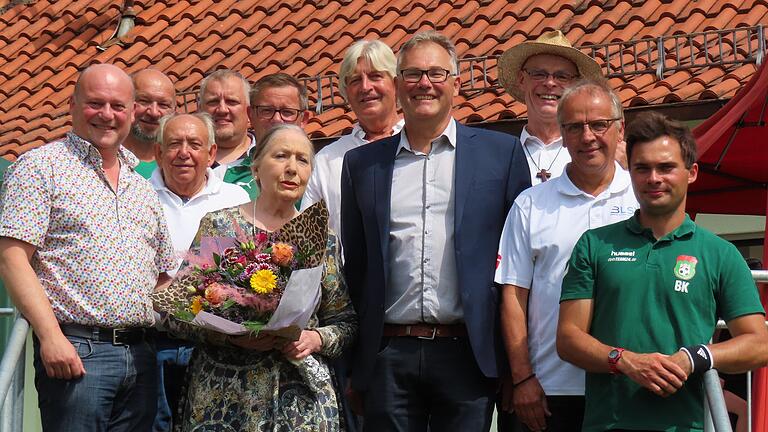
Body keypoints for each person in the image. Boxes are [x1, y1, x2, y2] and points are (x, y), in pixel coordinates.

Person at [341, 31, 530, 431]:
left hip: (469, 352)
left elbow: (519, 268)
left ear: (457, 84)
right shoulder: (362, 166)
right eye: (412, 73)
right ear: (396, 86)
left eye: (437, 73)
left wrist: (517, 364)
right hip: (388, 352)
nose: (424, 83)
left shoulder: (502, 154)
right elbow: (356, 270)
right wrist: (357, 365)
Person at [557, 111, 768, 431]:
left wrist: (693, 357)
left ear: (692, 172)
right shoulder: (595, 244)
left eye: (666, 167)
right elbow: (569, 338)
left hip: (688, 424)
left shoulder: (720, 254)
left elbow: (759, 344)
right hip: (608, 424)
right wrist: (625, 361)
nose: (653, 178)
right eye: (642, 168)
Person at [0, 63, 176, 431]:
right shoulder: (40, 167)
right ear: (73, 105)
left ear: (130, 112)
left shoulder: (141, 186)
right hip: (79, 353)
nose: (107, 115)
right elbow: (11, 257)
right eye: (96, 104)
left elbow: (161, 280)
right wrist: (50, 337)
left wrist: (227, 304)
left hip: (143, 356)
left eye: (118, 106)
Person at [165, 123, 357, 431]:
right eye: (281, 156)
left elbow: (345, 321)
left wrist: (315, 338)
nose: (292, 168)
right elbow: (176, 314)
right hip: (223, 396)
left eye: (302, 159)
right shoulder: (220, 228)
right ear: (256, 167)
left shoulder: (323, 239)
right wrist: (228, 334)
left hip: (299, 400)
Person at [495, 79, 638, 432]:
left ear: (620, 129)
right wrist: (522, 377)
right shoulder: (530, 204)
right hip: (549, 390)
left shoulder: (643, 198)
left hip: (631, 384)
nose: (587, 136)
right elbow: (512, 296)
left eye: (599, 124)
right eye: (575, 127)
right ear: (562, 132)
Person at [149, 112, 249, 431]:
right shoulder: (136, 195)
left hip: (212, 345)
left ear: (211, 153)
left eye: (194, 144)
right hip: (152, 343)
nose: (184, 152)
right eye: (174, 143)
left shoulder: (236, 200)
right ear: (158, 153)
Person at [301, 39, 402, 239]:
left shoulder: (421, 145)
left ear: (395, 84)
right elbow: (310, 240)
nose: (365, 87)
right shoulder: (327, 161)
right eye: (355, 80)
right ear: (346, 91)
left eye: (375, 76)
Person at [498, 30, 615, 185]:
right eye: (539, 74)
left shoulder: (598, 153)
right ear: (521, 80)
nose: (550, 83)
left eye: (562, 76)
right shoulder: (498, 157)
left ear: (575, 85)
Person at [198, 69, 257, 198]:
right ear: (200, 110)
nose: (222, 110)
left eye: (232, 101)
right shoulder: (184, 162)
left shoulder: (268, 158)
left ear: (250, 112)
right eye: (213, 102)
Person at [123, 69, 177, 178]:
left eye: (163, 104)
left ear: (174, 110)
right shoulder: (104, 160)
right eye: (144, 101)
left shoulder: (180, 164)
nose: (154, 113)